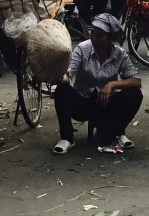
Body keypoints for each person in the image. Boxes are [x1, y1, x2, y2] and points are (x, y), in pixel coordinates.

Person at [52, 13, 142, 155]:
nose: (94, 38)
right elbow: (69, 73)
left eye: (100, 36)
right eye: (92, 33)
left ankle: (118, 133)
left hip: (107, 104)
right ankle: (67, 138)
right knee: (62, 90)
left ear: (110, 39)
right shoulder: (82, 49)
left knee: (135, 93)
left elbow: (136, 80)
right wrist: (58, 78)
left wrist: (112, 84)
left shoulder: (120, 54)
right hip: (83, 102)